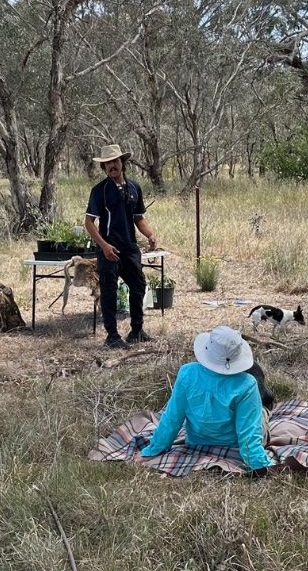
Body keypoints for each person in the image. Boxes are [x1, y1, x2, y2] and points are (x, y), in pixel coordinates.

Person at [140, 326, 273, 471]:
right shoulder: (247, 384)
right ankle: (267, 411)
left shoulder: (186, 373)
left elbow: (172, 419)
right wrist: (260, 464)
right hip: (234, 444)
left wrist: (154, 450)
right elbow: (249, 433)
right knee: (261, 413)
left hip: (197, 442)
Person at [84, 143, 160, 350]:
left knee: (138, 287)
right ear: (104, 168)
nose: (112, 166)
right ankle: (112, 336)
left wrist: (151, 235)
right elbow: (89, 223)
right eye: (107, 163)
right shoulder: (100, 191)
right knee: (109, 292)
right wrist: (104, 246)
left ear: (122, 163)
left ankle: (137, 331)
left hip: (130, 249)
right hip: (109, 251)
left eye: (115, 161)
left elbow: (138, 218)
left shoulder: (134, 188)